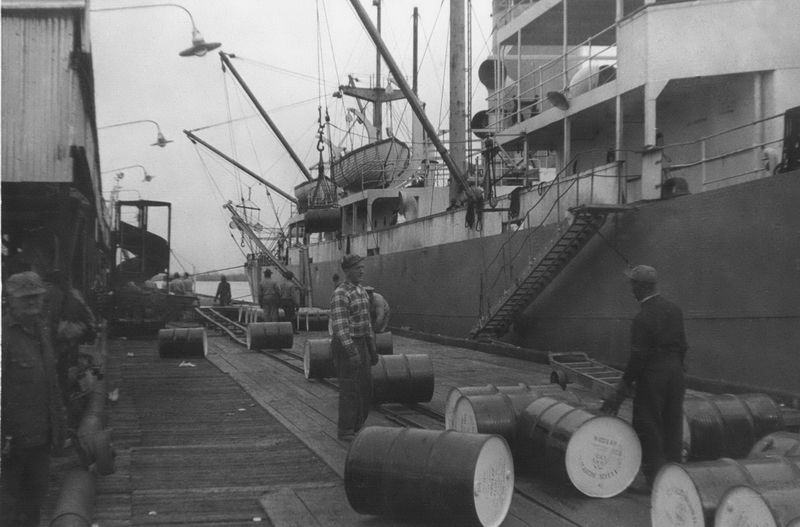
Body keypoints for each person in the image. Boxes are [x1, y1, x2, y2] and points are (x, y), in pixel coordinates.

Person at [601, 265, 688, 491]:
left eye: (633, 285)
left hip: (653, 373)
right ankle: (674, 477)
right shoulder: (674, 309)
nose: (631, 290)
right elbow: (683, 346)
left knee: (646, 424)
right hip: (675, 372)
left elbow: (638, 357)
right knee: (673, 424)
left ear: (641, 287)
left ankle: (654, 481)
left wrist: (623, 385)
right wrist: (676, 370)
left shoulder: (642, 317)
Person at [2, 272, 66, 526]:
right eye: (25, 297)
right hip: (11, 442)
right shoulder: (4, 335)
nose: (32, 301)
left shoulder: (41, 331)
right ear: (10, 300)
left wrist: (59, 428)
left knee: (34, 503)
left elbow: (51, 384)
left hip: (40, 438)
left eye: (36, 296)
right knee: (7, 507)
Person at [330, 254, 378, 442]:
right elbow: (340, 327)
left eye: (362, 267)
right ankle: (346, 430)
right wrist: (352, 352)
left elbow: (367, 323)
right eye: (357, 268)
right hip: (346, 344)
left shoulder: (362, 291)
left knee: (366, 387)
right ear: (347, 271)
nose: (361, 271)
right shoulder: (341, 294)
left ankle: (358, 425)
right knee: (350, 388)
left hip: (362, 342)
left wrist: (371, 347)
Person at [43, 270, 97, 408]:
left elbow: (64, 327)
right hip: (69, 338)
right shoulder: (69, 294)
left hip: (69, 337)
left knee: (63, 372)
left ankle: (64, 405)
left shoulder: (69, 296)